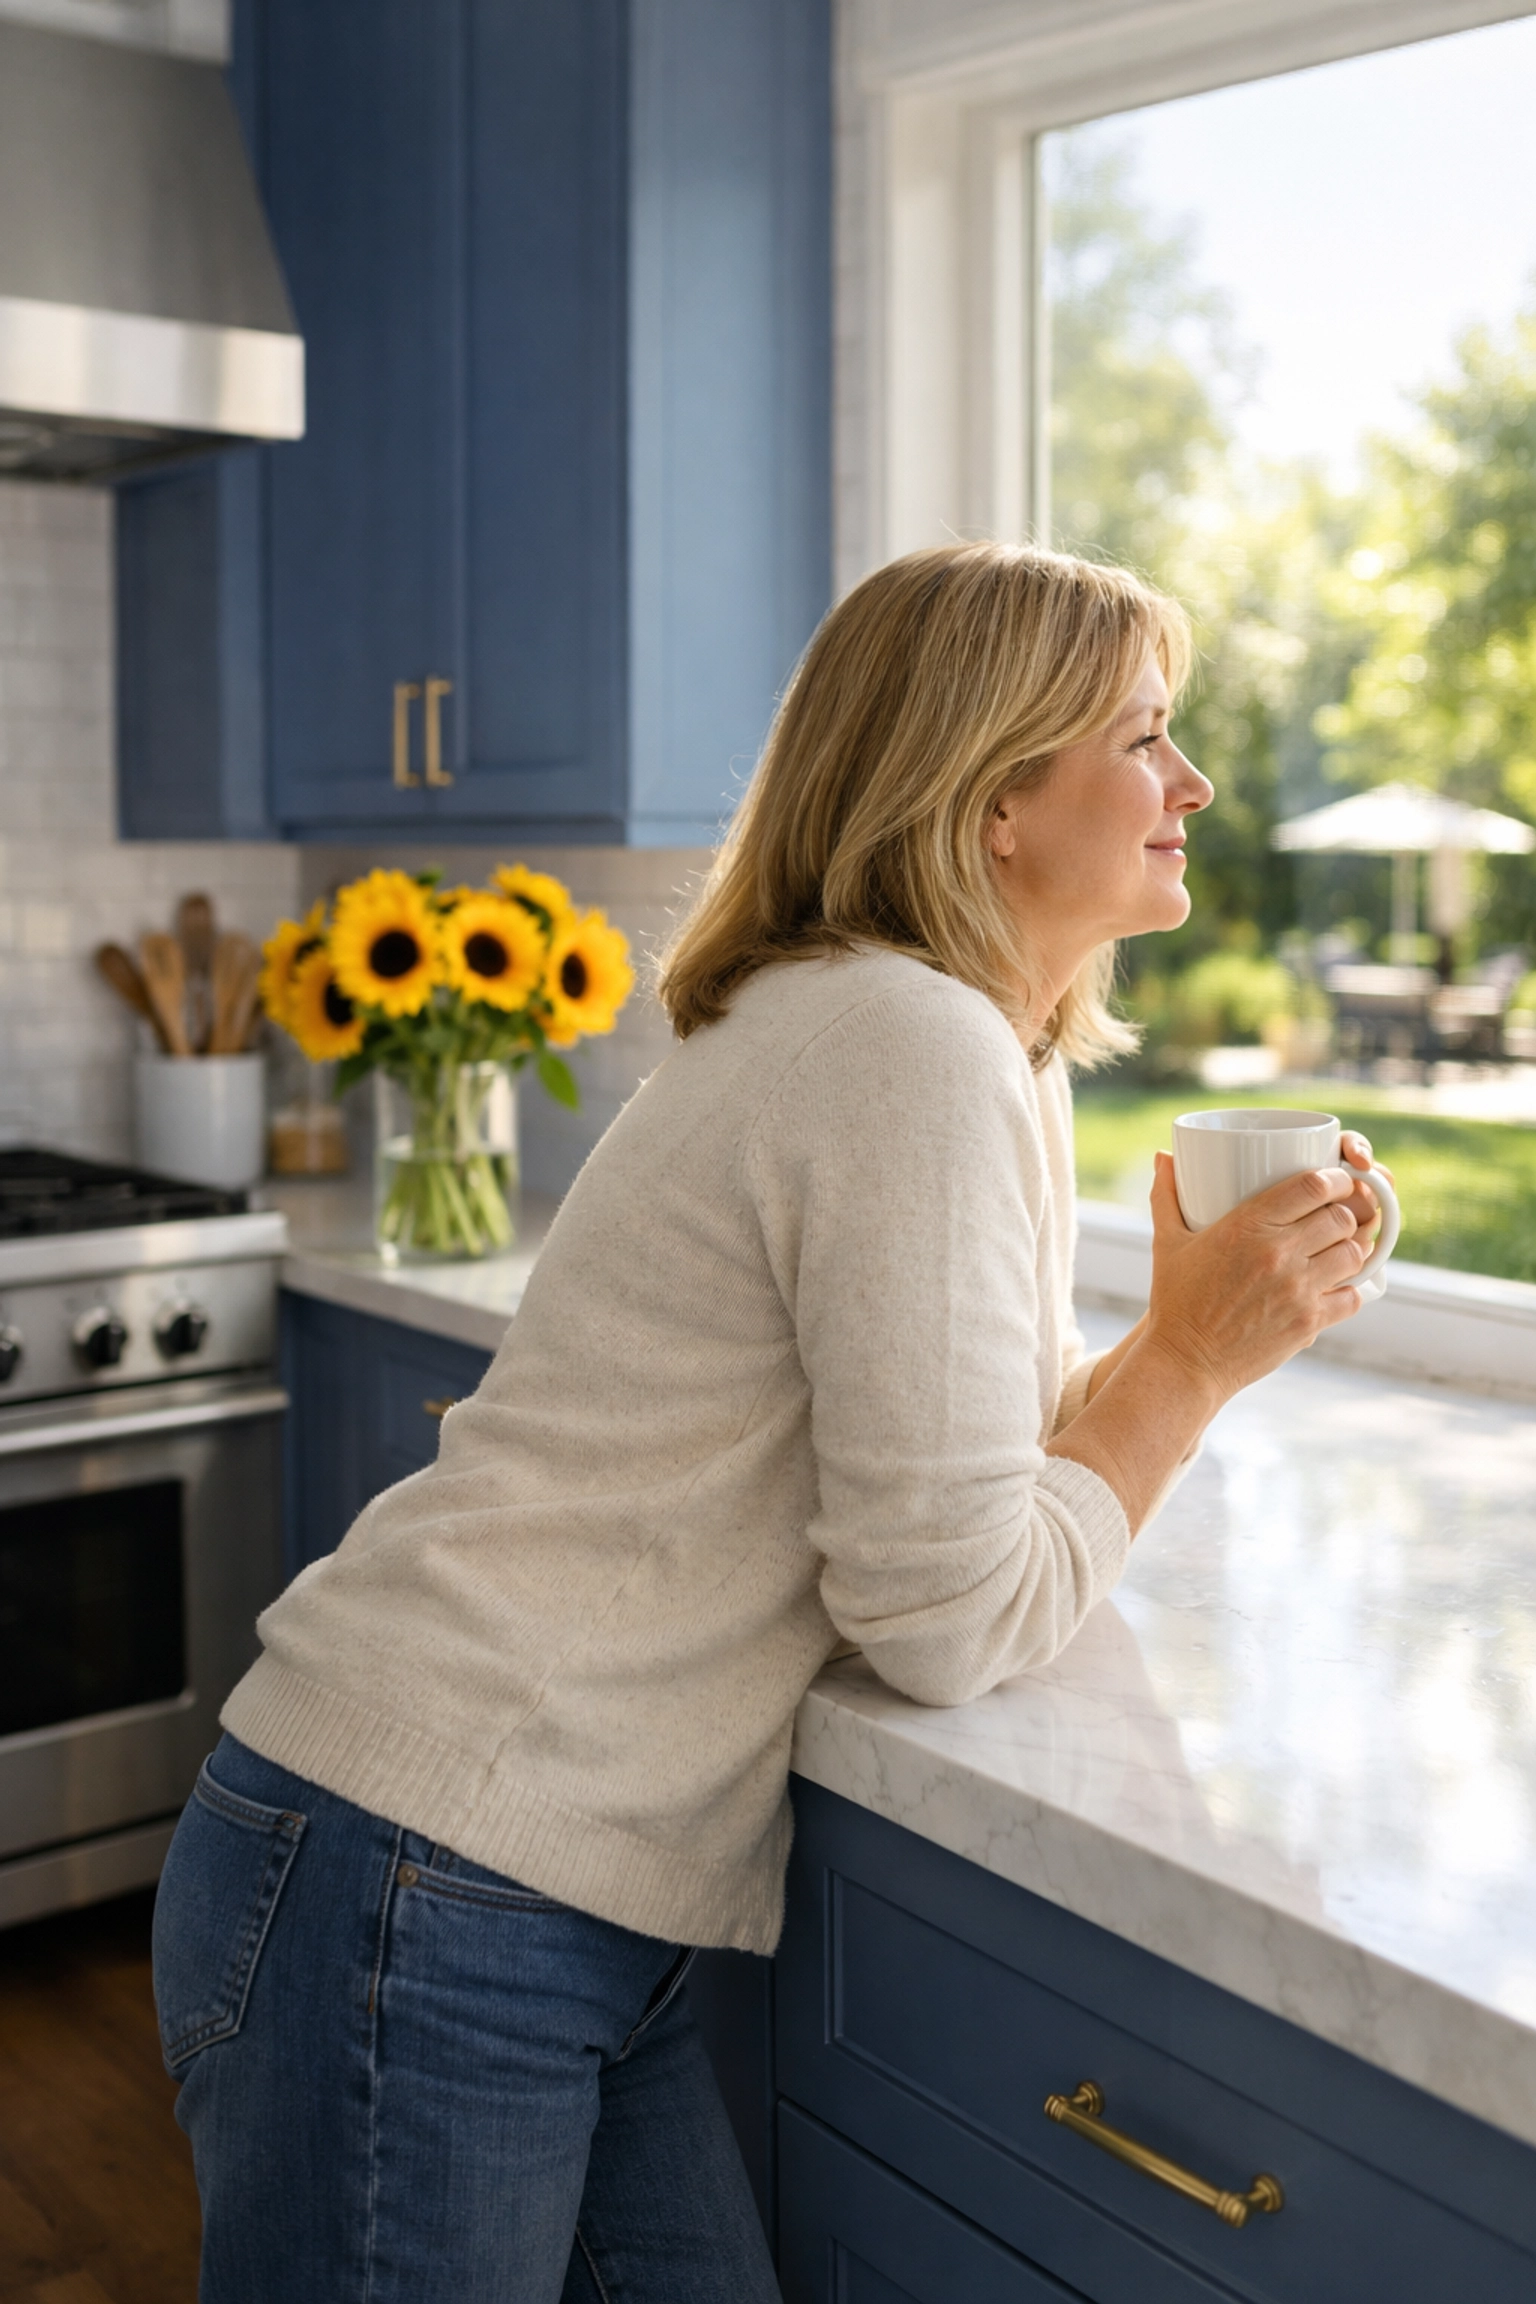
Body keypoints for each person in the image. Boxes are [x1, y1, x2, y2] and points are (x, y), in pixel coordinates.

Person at [151, 543, 1382, 2303]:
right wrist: (1180, 1372)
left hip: (514, 1885)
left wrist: (1208, 1328)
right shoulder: (910, 1044)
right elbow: (944, 1608)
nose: (1191, 785)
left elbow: (982, 1461)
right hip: (425, 1878)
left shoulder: (968, 1047)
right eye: (1145, 737)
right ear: (992, 801)